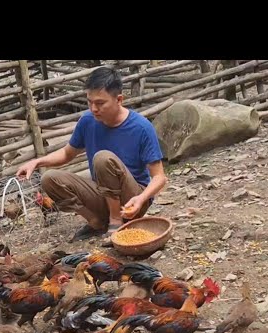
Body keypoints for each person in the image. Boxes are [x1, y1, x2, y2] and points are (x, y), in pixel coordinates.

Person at [16, 65, 167, 242]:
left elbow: (159, 177)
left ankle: (116, 220)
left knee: (102, 158)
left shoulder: (142, 127)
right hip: (104, 193)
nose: (94, 108)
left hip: (132, 199)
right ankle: (96, 221)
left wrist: (141, 199)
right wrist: (37, 162)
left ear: (119, 100)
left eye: (100, 103)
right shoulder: (87, 121)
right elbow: (67, 153)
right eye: (90, 102)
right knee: (49, 178)